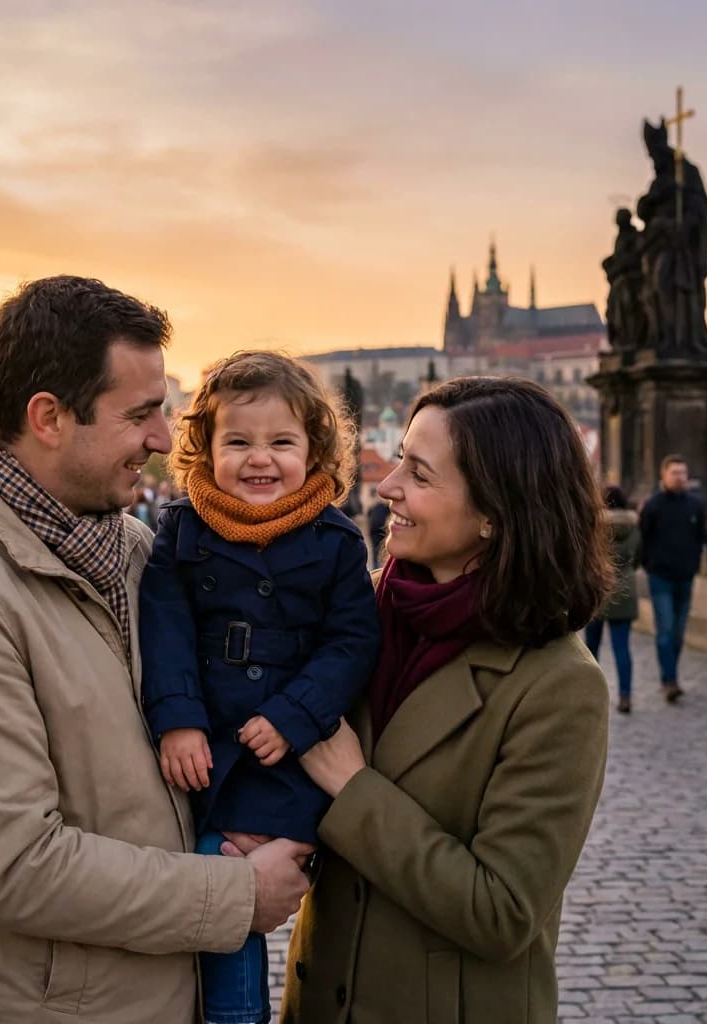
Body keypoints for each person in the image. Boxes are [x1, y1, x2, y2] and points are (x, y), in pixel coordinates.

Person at [0, 276, 311, 1024]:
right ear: (48, 417)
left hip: (174, 993)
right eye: (139, 414)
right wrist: (239, 895)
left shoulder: (133, 547)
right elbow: (16, 869)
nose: (162, 439)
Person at [277, 377, 612, 1024]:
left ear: (494, 513)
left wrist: (353, 788)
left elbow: (502, 912)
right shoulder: (355, 615)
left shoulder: (559, 685)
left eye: (420, 474)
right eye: (399, 458)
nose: (387, 485)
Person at [139, 351, 380, 1024]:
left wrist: (294, 716)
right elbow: (163, 629)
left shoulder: (337, 541)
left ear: (314, 449)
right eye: (238, 442)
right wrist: (178, 719)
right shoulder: (181, 529)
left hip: (291, 755)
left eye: (281, 443)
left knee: (270, 869)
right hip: (209, 750)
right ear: (205, 448)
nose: (260, 460)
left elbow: (352, 643)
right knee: (220, 874)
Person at [639, 454, 706, 702]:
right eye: (675, 473)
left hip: (685, 576)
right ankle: (669, 680)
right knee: (665, 629)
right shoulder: (653, 505)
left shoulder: (695, 505)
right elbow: (643, 538)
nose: (680, 478)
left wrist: (694, 564)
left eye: (683, 473)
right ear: (663, 475)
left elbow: (700, 538)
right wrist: (650, 565)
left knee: (678, 633)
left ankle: (670, 675)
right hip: (660, 576)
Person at [584, 485, 642, 713]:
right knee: (622, 648)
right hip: (624, 589)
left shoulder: (593, 525)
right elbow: (639, 557)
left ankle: (589, 695)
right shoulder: (634, 527)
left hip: (596, 588)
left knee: (590, 649)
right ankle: (625, 696)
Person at [367, 496, 390, 568]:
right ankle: (377, 566)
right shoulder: (383, 507)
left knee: (377, 550)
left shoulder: (377, 506)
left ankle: (378, 566)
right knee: (377, 550)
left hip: (377, 531)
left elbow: (369, 514)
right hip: (376, 531)